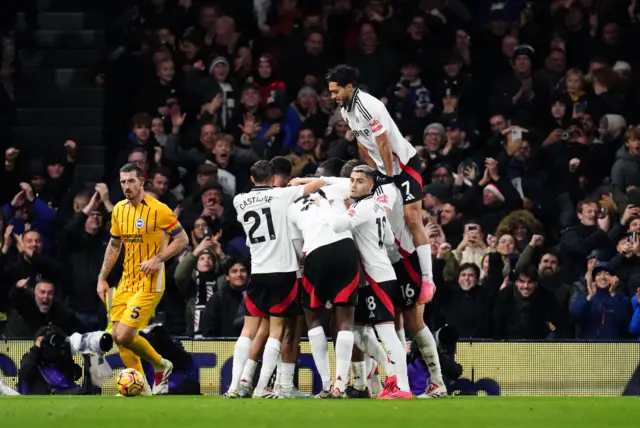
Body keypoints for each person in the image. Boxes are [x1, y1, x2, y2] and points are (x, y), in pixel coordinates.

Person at [326, 65, 436, 303]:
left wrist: (387, 175)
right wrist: (373, 171)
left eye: (335, 91)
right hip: (381, 168)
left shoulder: (370, 106)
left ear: (348, 87)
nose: (332, 96)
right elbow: (363, 144)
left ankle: (427, 278)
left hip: (404, 165)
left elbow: (384, 145)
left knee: (412, 217)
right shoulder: (346, 110)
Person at [225, 160, 323, 398]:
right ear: (272, 179)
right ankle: (261, 389)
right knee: (276, 332)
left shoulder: (239, 200)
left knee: (248, 331)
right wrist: (299, 181)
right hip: (284, 272)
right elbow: (320, 183)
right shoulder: (283, 196)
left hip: (257, 273)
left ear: (251, 179)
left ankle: (235, 386)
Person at [315, 165, 412, 399]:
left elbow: (338, 225)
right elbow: (389, 240)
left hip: (377, 277)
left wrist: (324, 206)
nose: (353, 185)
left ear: (371, 186)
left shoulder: (366, 207)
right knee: (357, 329)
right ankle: (391, 373)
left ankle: (403, 387)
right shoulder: (375, 205)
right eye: (351, 180)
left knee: (386, 332)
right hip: (375, 276)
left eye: (359, 181)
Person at [97, 163, 189, 396]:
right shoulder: (119, 209)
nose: (126, 186)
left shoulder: (159, 210)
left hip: (150, 282)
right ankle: (142, 389)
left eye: (131, 181)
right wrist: (102, 278)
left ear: (142, 181)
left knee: (125, 334)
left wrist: (157, 259)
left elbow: (182, 240)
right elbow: (115, 244)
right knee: (119, 337)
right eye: (122, 182)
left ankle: (161, 365)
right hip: (126, 282)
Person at [287, 177, 361, 399]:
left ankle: (327, 385)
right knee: (345, 318)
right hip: (346, 250)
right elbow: (356, 181)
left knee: (314, 318)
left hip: (316, 253)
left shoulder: (291, 208)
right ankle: (341, 384)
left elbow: (297, 247)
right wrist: (321, 181)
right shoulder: (333, 189)